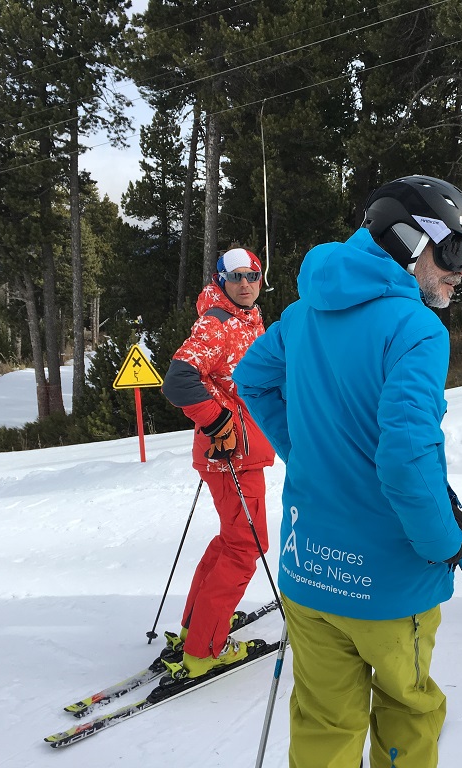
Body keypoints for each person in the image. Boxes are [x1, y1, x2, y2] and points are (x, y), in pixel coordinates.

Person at [234, 175, 462, 768]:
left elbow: (252, 378)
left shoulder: (300, 315)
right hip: (390, 581)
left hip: (309, 570)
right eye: (454, 252)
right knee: (407, 709)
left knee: (324, 717)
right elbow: (404, 455)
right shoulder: (416, 328)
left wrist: (308, 451)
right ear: (407, 242)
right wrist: (444, 540)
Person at [161, 247, 275, 678]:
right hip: (232, 456)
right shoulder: (218, 323)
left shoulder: (248, 319)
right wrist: (218, 420)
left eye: (253, 275)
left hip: (238, 454)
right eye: (236, 276)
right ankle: (205, 650)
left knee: (232, 541)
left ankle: (199, 628)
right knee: (247, 547)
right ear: (220, 280)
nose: (246, 283)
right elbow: (179, 378)